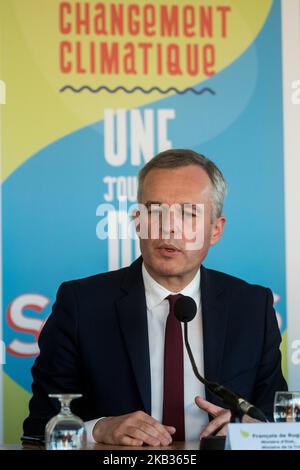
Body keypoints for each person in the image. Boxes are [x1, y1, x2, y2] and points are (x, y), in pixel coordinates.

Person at [23, 149, 287, 446]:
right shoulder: (81, 304)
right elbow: (36, 429)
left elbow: (275, 421)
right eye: (155, 211)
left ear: (215, 230)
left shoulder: (252, 307)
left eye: (188, 213)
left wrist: (244, 429)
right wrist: (98, 429)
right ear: (138, 222)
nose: (168, 227)